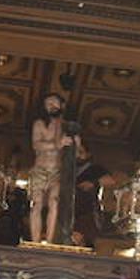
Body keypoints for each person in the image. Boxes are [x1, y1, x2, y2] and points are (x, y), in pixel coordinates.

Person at [29, 92, 75, 243]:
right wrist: (57, 144)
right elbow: (36, 144)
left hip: (58, 170)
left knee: (54, 202)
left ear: (62, 105)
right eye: (48, 104)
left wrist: (75, 143)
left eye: (54, 103)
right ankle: (35, 241)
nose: (51, 106)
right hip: (40, 169)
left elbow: (77, 150)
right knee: (37, 203)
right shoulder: (40, 124)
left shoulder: (67, 126)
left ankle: (49, 240)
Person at [72, 141, 115, 246]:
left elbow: (110, 180)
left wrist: (94, 183)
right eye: (75, 152)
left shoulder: (95, 169)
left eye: (81, 152)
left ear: (88, 154)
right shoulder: (69, 170)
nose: (78, 155)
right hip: (70, 210)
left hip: (87, 211)